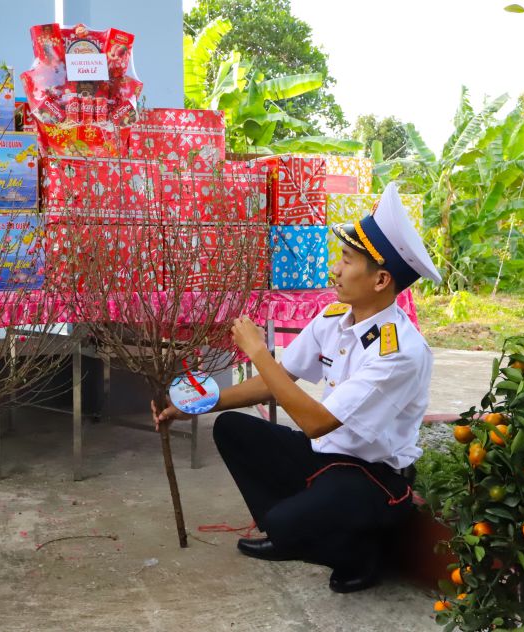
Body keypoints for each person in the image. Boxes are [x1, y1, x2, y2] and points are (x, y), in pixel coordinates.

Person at [154, 183, 441, 593]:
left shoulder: (400, 352)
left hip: (374, 478)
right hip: (326, 458)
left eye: (346, 261)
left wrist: (257, 351)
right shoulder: (335, 316)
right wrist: (197, 404)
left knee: (286, 522)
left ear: (380, 280)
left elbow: (315, 422)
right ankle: (300, 529)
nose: (334, 270)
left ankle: (360, 554)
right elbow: (279, 379)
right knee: (232, 428)